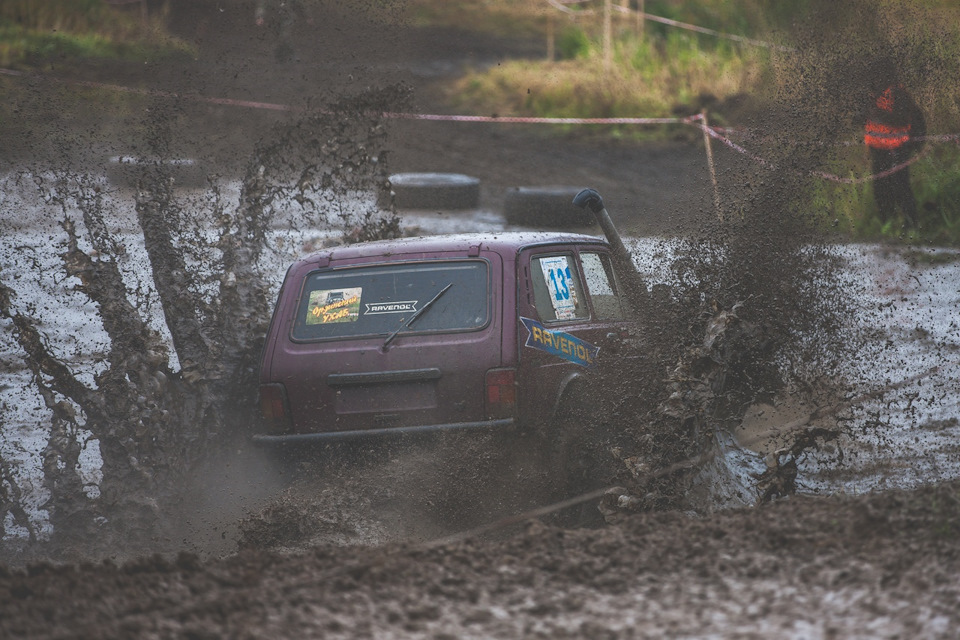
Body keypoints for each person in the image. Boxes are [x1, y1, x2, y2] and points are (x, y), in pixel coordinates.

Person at [864, 65, 926, 228]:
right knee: (881, 189)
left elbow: (904, 117)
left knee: (901, 187)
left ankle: (911, 224)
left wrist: (917, 143)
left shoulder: (898, 94)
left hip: (898, 149)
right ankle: (887, 223)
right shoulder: (872, 96)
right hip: (878, 150)